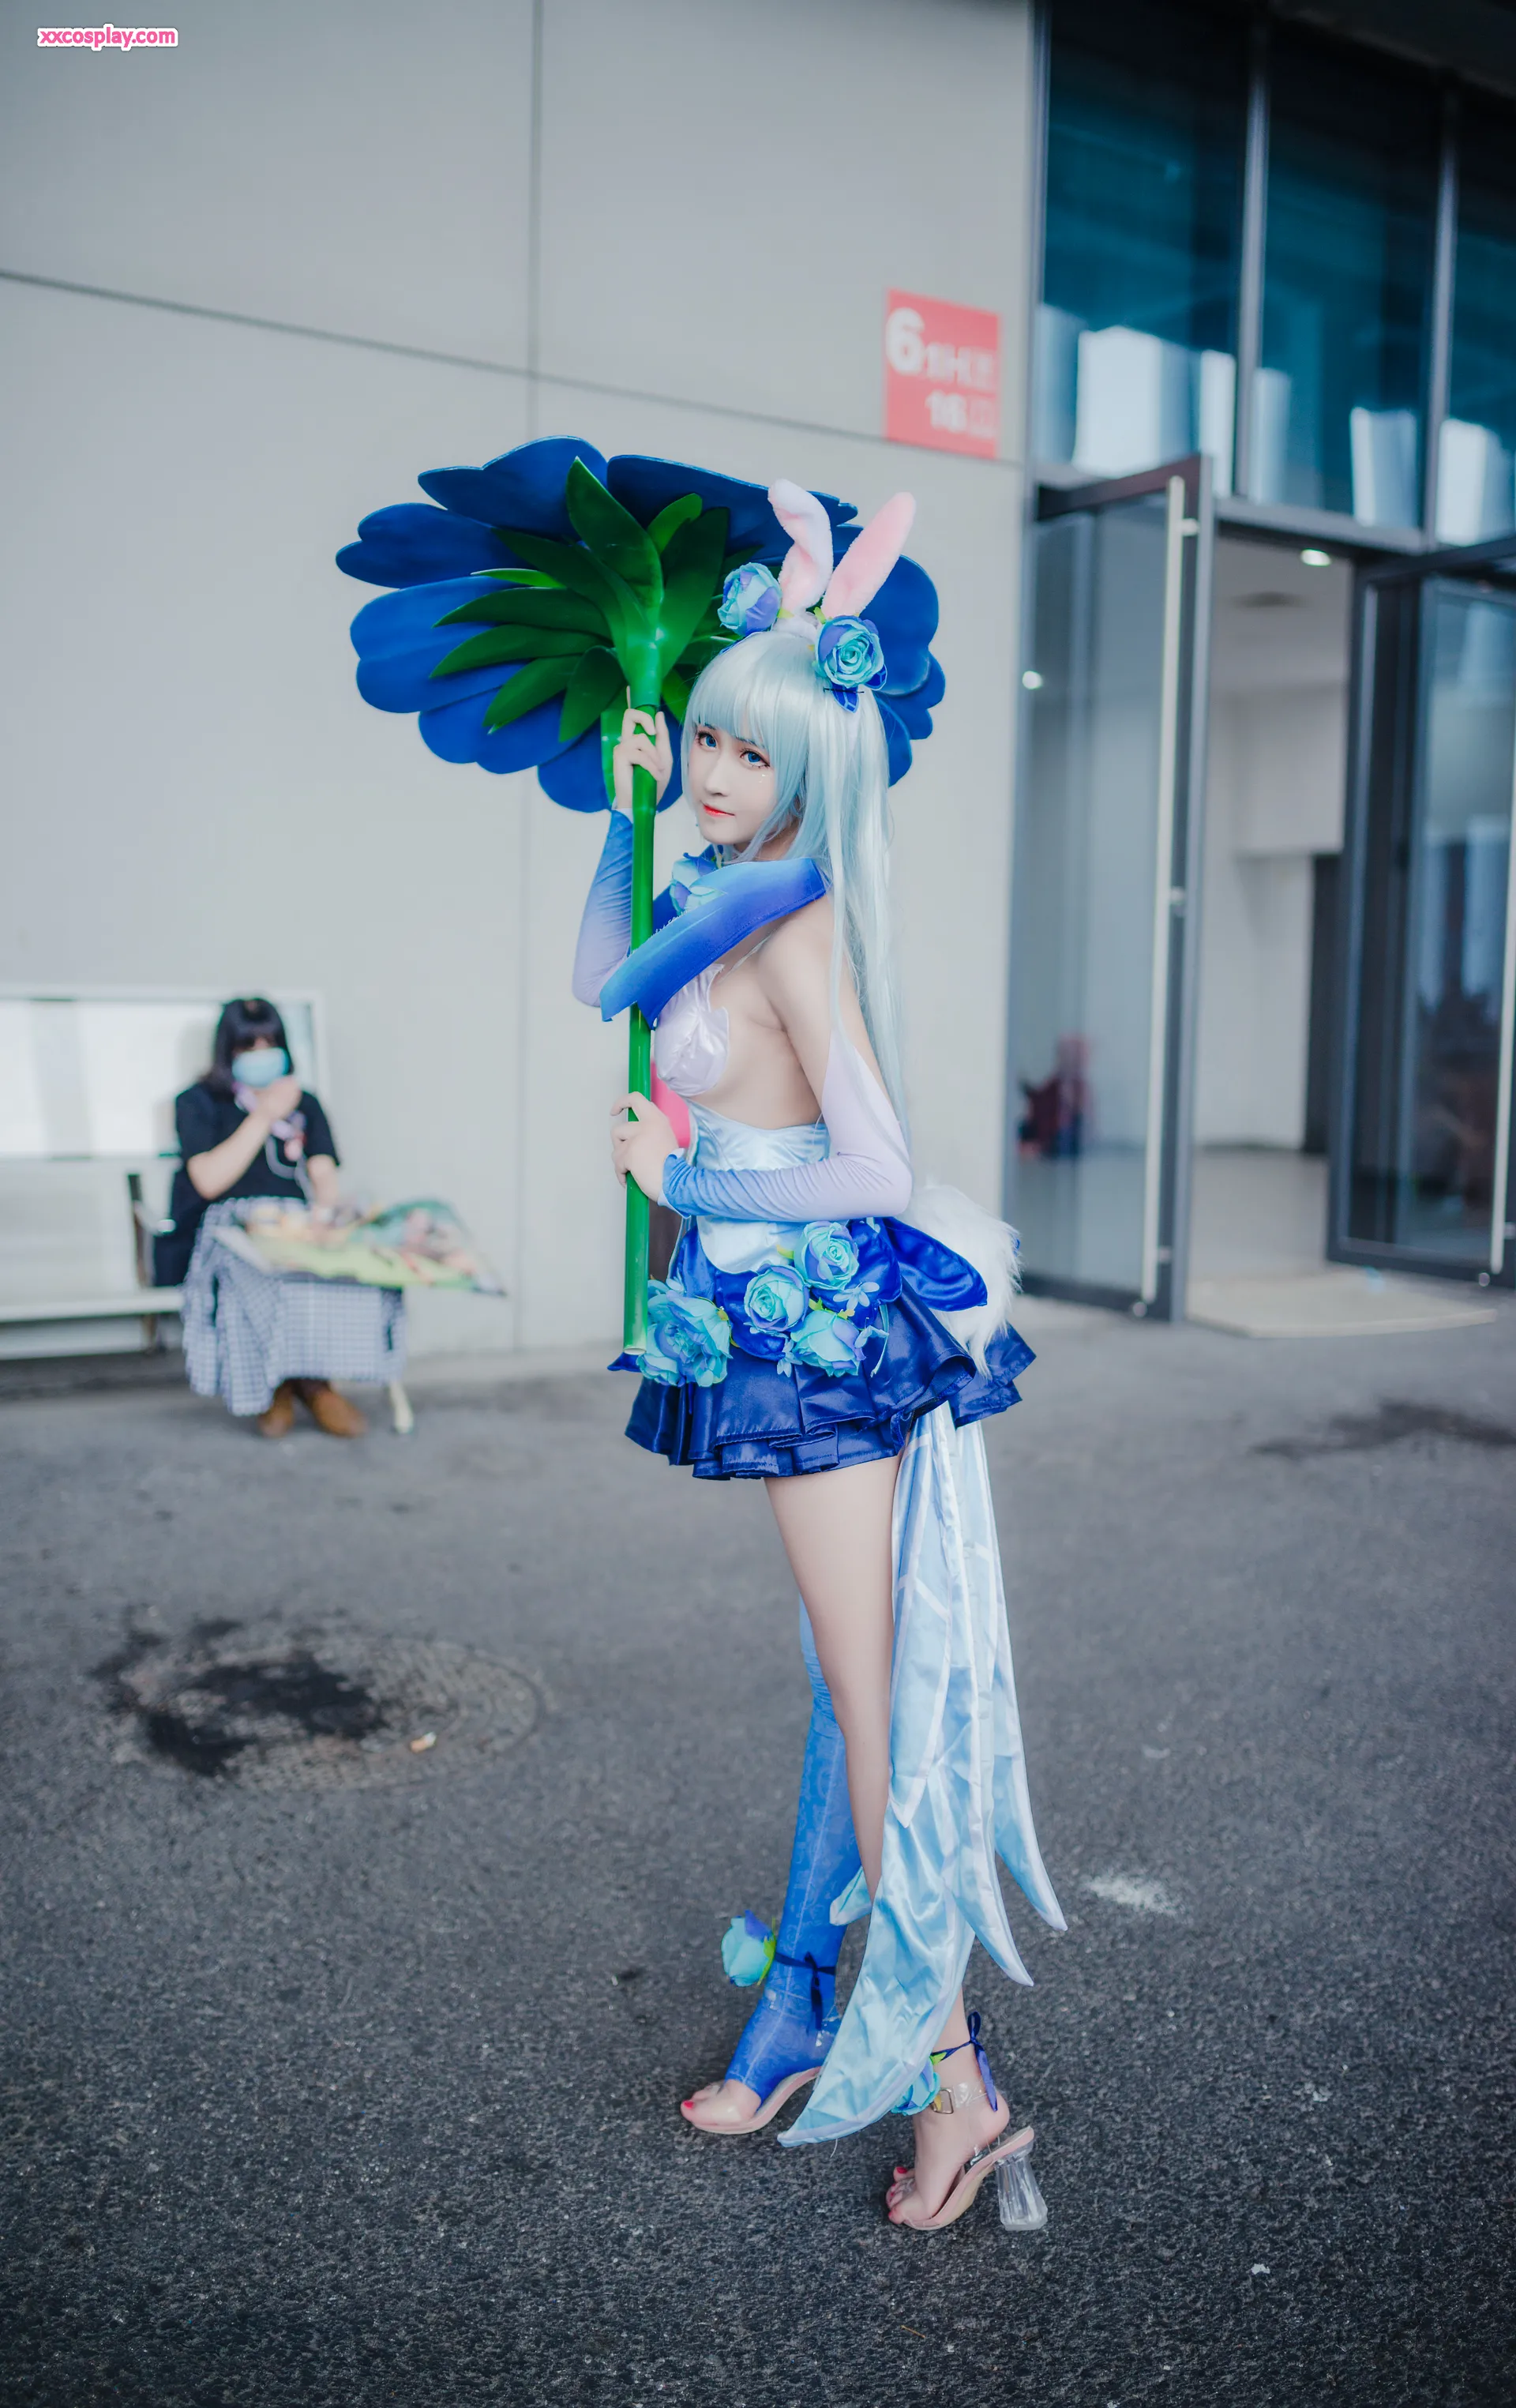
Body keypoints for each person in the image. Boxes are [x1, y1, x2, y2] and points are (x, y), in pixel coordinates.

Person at [572, 483, 1064, 2233]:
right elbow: (603, 975)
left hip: (815, 1336)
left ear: (811, 766)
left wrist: (684, 1180)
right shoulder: (716, 884)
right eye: (708, 736)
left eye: (747, 749)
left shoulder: (791, 922)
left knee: (874, 1707)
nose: (717, 770)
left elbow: (870, 1158)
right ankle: (813, 2011)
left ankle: (953, 2081)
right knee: (847, 1686)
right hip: (763, 1324)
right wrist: (624, 808)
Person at [157, 997, 387, 1438]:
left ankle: (313, 1385)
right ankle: (285, 1386)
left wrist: (326, 1222)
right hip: (228, 1228)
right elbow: (208, 1180)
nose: (261, 1053)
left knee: (329, 1273)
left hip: (294, 1224)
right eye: (249, 1045)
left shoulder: (306, 1103)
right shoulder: (198, 1102)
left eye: (270, 1043)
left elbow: (323, 1174)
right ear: (228, 1049)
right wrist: (264, 1115)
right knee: (256, 1276)